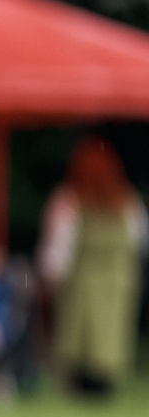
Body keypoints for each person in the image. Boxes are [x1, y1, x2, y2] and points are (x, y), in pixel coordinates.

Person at [39, 138, 146, 397]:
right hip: (118, 283)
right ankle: (102, 384)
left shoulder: (68, 201)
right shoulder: (130, 203)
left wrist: (48, 283)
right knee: (108, 338)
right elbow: (139, 243)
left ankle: (81, 385)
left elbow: (57, 252)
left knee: (81, 338)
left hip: (81, 282)